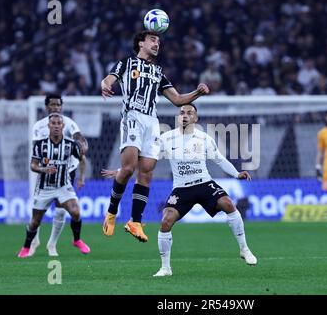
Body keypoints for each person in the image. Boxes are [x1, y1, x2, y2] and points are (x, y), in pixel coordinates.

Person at [102, 104, 257, 277]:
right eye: (182, 112)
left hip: (204, 183)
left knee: (228, 204)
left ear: (196, 118)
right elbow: (146, 162)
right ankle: (165, 268)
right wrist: (121, 170)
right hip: (181, 188)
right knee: (166, 222)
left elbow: (219, 159)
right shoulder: (166, 138)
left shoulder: (204, 138)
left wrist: (236, 173)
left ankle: (244, 249)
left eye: (189, 113)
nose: (185, 115)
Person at [100, 30, 209, 242]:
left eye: (158, 41)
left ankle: (135, 222)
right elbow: (108, 79)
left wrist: (197, 92)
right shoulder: (126, 63)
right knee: (129, 168)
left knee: (147, 173)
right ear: (140, 43)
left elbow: (177, 99)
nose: (157, 44)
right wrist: (105, 86)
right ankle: (111, 213)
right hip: (132, 116)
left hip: (151, 122)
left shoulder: (158, 72)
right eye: (152, 40)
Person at [18, 113, 90, 258]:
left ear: (63, 126)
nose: (56, 126)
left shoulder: (70, 145)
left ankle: (76, 240)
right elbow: (33, 165)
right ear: (49, 126)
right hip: (44, 188)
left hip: (63, 186)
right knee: (35, 222)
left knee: (75, 212)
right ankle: (26, 246)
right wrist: (43, 169)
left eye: (59, 123)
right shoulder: (40, 145)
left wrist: (81, 178)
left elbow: (82, 159)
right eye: (53, 123)